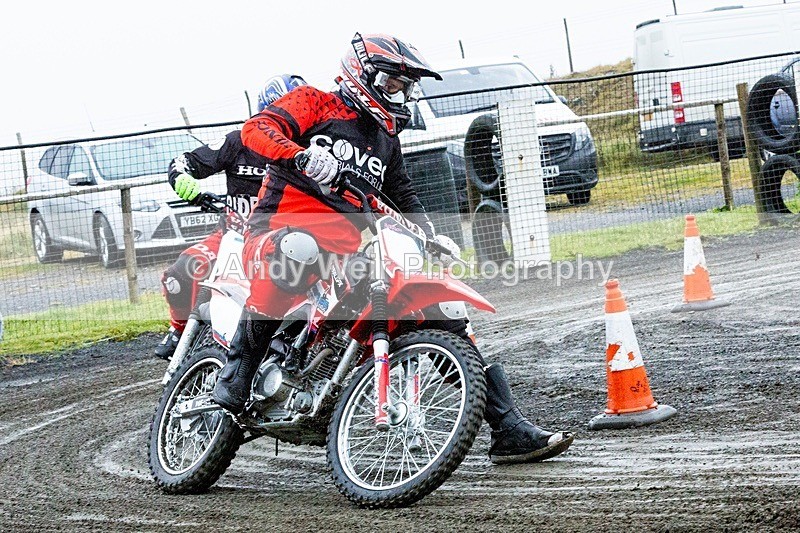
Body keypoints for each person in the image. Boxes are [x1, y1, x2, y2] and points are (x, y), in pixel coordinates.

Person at [212, 33, 573, 464]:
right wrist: (301, 157)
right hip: (279, 231)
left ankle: (507, 426)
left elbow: (402, 192)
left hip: (349, 250)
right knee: (299, 250)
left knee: (442, 311)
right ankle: (237, 374)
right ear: (363, 75)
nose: (401, 94)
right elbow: (257, 129)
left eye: (407, 87)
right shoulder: (315, 102)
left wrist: (430, 234)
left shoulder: (386, 139)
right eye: (394, 83)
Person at [154, 74, 307, 360]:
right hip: (232, 236)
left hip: (283, 244)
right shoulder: (238, 141)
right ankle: (178, 330)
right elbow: (186, 161)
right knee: (180, 273)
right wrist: (182, 178)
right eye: (284, 113)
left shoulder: (311, 154)